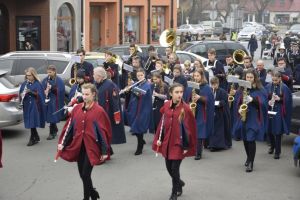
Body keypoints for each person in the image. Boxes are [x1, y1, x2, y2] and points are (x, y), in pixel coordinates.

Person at [57, 83, 112, 200]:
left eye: (87, 94)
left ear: (93, 94)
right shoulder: (77, 108)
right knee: (82, 174)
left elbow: (104, 133)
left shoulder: (99, 111)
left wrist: (104, 151)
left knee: (86, 174)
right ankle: (93, 193)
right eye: (83, 94)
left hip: (92, 147)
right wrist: (64, 143)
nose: (85, 96)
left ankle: (86, 197)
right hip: (79, 146)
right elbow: (70, 128)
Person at [152, 83, 197, 200]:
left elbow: (191, 126)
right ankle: (179, 183)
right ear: (171, 93)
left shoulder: (186, 108)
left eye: (181, 92)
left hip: (179, 143)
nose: (179, 95)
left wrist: (189, 143)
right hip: (167, 142)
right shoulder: (166, 105)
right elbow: (162, 121)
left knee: (174, 168)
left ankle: (174, 193)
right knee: (168, 167)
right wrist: (159, 139)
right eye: (176, 92)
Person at [236, 69, 267, 172]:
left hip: (253, 117)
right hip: (244, 116)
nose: (248, 79)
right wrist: (239, 108)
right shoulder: (242, 88)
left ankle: (251, 163)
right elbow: (238, 100)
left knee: (251, 139)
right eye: (247, 77)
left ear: (255, 78)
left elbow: (263, 104)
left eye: (251, 77)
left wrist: (252, 100)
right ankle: (248, 157)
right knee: (245, 139)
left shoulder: (259, 89)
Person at [94, 67, 126, 145]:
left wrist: (116, 115)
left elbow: (115, 102)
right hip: (99, 112)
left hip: (108, 113)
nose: (93, 76)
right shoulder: (97, 84)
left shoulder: (110, 85)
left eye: (94, 74)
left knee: (106, 133)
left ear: (99, 76)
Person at [125, 68, 153, 155]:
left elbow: (141, 93)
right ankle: (142, 141)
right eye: (138, 75)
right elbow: (132, 96)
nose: (140, 77)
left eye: (141, 75)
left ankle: (139, 147)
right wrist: (127, 91)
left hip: (144, 109)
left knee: (138, 127)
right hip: (135, 109)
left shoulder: (147, 85)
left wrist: (132, 89)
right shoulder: (136, 84)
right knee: (135, 127)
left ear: (144, 75)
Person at [265, 71, 292, 159]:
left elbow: (288, 100)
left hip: (279, 110)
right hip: (270, 109)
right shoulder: (269, 86)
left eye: (276, 80)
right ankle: (272, 146)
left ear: (280, 78)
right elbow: (265, 96)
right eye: (273, 80)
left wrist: (280, 99)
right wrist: (268, 101)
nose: (274, 82)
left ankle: (277, 151)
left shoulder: (284, 87)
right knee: (269, 130)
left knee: (277, 131)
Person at [190, 69, 214, 160]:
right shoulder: (192, 85)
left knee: (199, 132)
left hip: (201, 112)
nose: (196, 78)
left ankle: (198, 153)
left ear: (202, 76)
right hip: (193, 111)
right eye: (194, 76)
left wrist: (200, 97)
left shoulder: (207, 87)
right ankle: (194, 149)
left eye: (197, 76)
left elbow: (210, 100)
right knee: (193, 131)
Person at [19, 67, 46, 146]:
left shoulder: (38, 83)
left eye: (30, 75)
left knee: (32, 120)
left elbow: (41, 95)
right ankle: (36, 136)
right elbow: (21, 92)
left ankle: (32, 138)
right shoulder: (25, 83)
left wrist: (30, 92)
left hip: (35, 104)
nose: (28, 77)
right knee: (30, 120)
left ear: (33, 75)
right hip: (27, 104)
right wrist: (22, 95)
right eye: (27, 75)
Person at [42, 65, 65, 140]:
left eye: (50, 72)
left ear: (54, 71)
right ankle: (54, 129)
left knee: (52, 115)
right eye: (48, 72)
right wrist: (45, 91)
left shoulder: (59, 80)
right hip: (48, 99)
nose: (49, 73)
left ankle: (51, 133)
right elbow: (42, 88)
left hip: (55, 100)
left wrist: (52, 88)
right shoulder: (45, 80)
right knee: (49, 116)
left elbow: (61, 90)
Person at [209, 77, 232, 151]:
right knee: (212, 129)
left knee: (219, 130)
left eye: (215, 84)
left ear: (218, 84)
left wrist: (217, 103)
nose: (213, 86)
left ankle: (218, 145)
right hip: (212, 112)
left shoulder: (222, 91)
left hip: (220, 113)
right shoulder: (210, 91)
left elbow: (224, 101)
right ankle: (211, 144)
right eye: (212, 84)